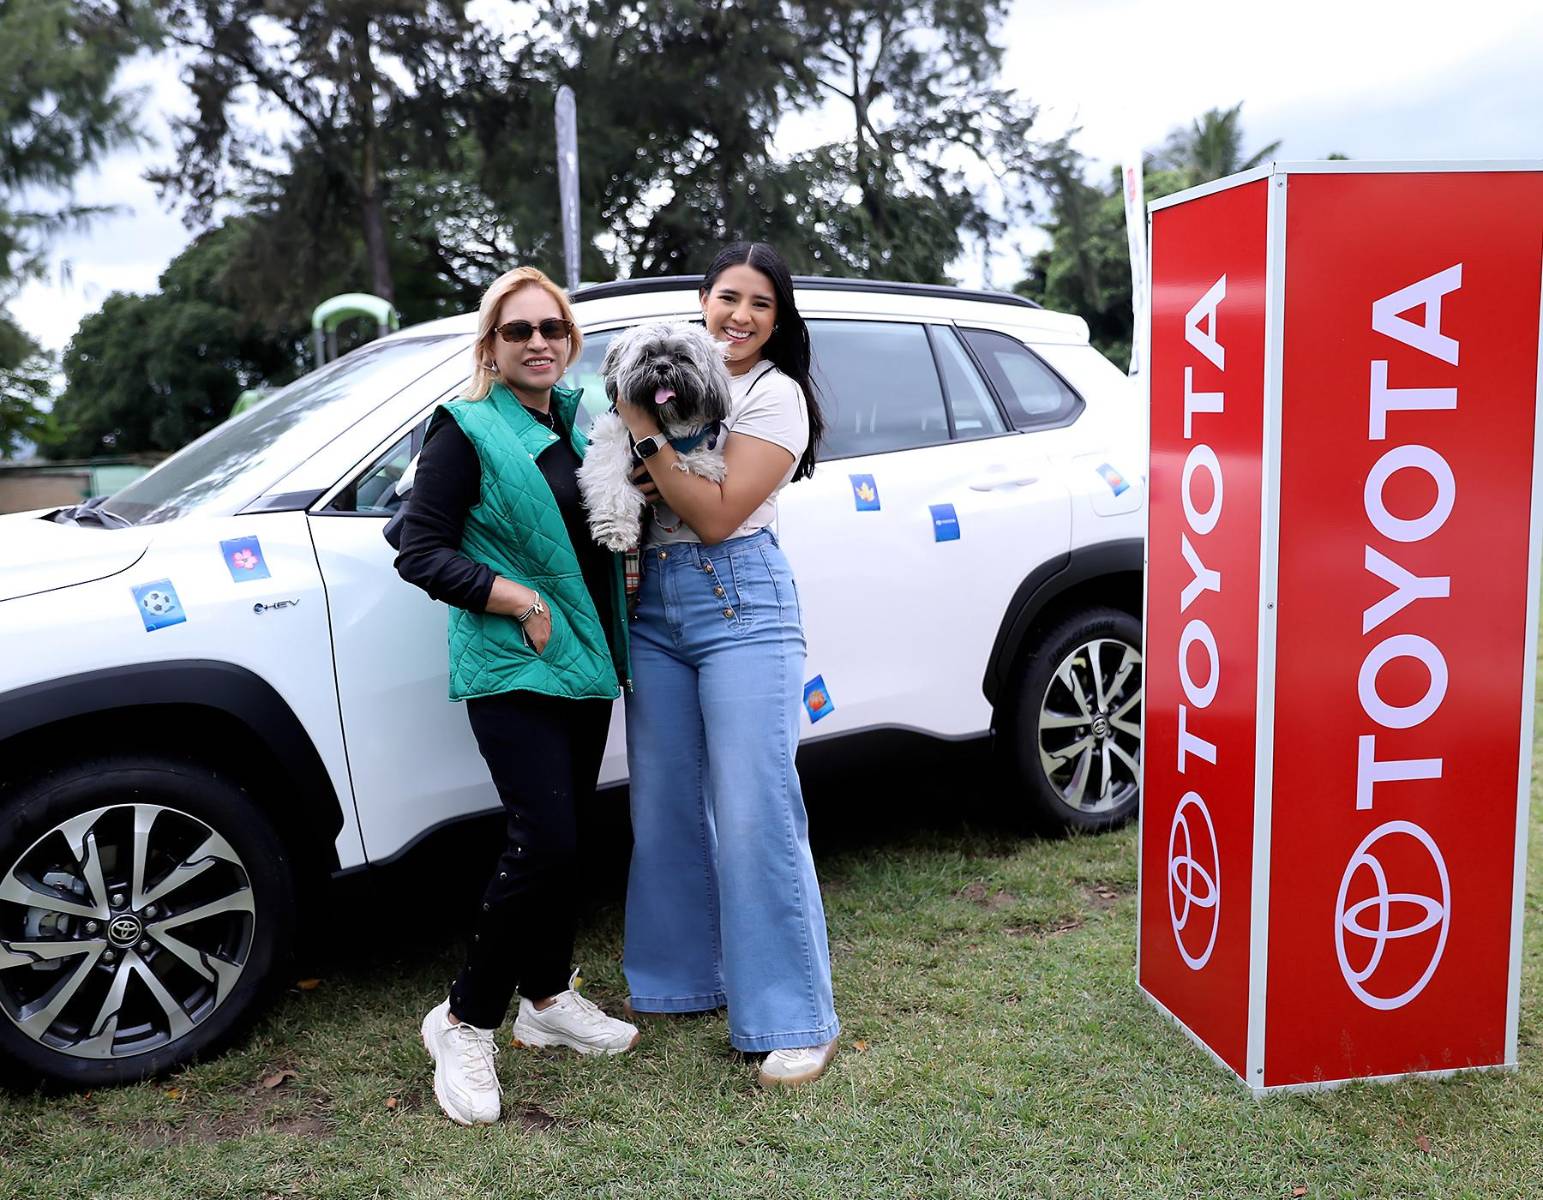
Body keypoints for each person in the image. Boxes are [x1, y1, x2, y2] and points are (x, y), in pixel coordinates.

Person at [395, 265, 637, 1126]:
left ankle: (545, 997)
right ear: (490, 348)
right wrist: (518, 598)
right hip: (512, 659)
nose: (537, 343)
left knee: (567, 843)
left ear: (569, 341)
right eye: (517, 331)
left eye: (551, 329)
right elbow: (418, 548)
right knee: (544, 839)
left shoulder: (586, 420)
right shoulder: (465, 428)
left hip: (584, 660)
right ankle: (463, 1019)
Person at [614, 241, 840, 1087]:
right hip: (654, 608)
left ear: (778, 321)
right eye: (726, 298)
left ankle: (794, 1018)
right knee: (665, 802)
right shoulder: (660, 365)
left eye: (759, 305)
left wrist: (643, 433)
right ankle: (680, 983)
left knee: (755, 807)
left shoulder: (775, 397)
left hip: (739, 601)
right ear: (700, 301)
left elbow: (712, 514)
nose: (738, 317)